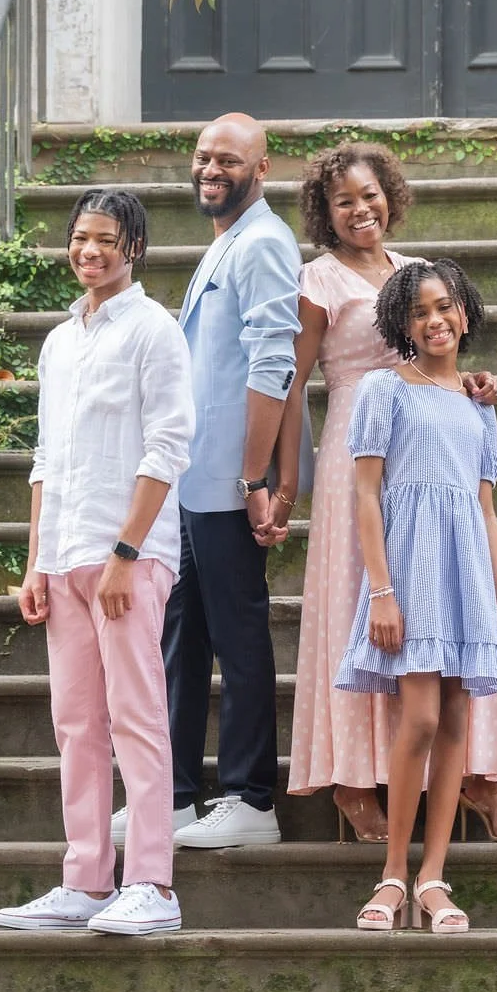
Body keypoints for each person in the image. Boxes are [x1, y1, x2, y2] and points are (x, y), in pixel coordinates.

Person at [274, 145, 497, 843]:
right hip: (356, 455)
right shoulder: (317, 280)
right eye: (344, 201)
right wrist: (282, 480)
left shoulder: (418, 274)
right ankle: (355, 782)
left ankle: (483, 773)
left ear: (391, 194)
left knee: (454, 603)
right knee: (363, 606)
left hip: (429, 452)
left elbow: (439, 352)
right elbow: (294, 384)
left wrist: (477, 386)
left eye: (370, 194)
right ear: (325, 215)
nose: (362, 210)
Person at [0, 189, 194, 935]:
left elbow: (168, 447)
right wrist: (36, 562)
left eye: (106, 240)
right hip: (65, 558)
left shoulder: (154, 331)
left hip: (126, 562)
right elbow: (45, 459)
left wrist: (125, 552)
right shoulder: (59, 341)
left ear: (133, 246)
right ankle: (85, 880)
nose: (90, 252)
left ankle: (153, 883)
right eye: (81, 238)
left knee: (137, 717)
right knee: (76, 723)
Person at [117, 112, 309, 849]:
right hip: (196, 482)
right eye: (202, 157)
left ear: (262, 168)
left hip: (230, 480)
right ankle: (172, 798)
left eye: (227, 159)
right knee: (183, 636)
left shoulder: (263, 243)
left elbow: (272, 363)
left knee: (237, 631)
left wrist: (256, 474)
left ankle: (252, 799)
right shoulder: (229, 241)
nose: (210, 169)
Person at [336, 259, 497, 933]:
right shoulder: (385, 390)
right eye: (419, 312)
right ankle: (392, 873)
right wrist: (381, 591)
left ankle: (435, 876)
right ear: (402, 325)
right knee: (417, 719)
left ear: (464, 312)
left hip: (466, 579)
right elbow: (364, 493)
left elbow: (484, 510)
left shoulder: (478, 406)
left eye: (445, 307)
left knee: (456, 724)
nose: (434, 320)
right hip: (409, 576)